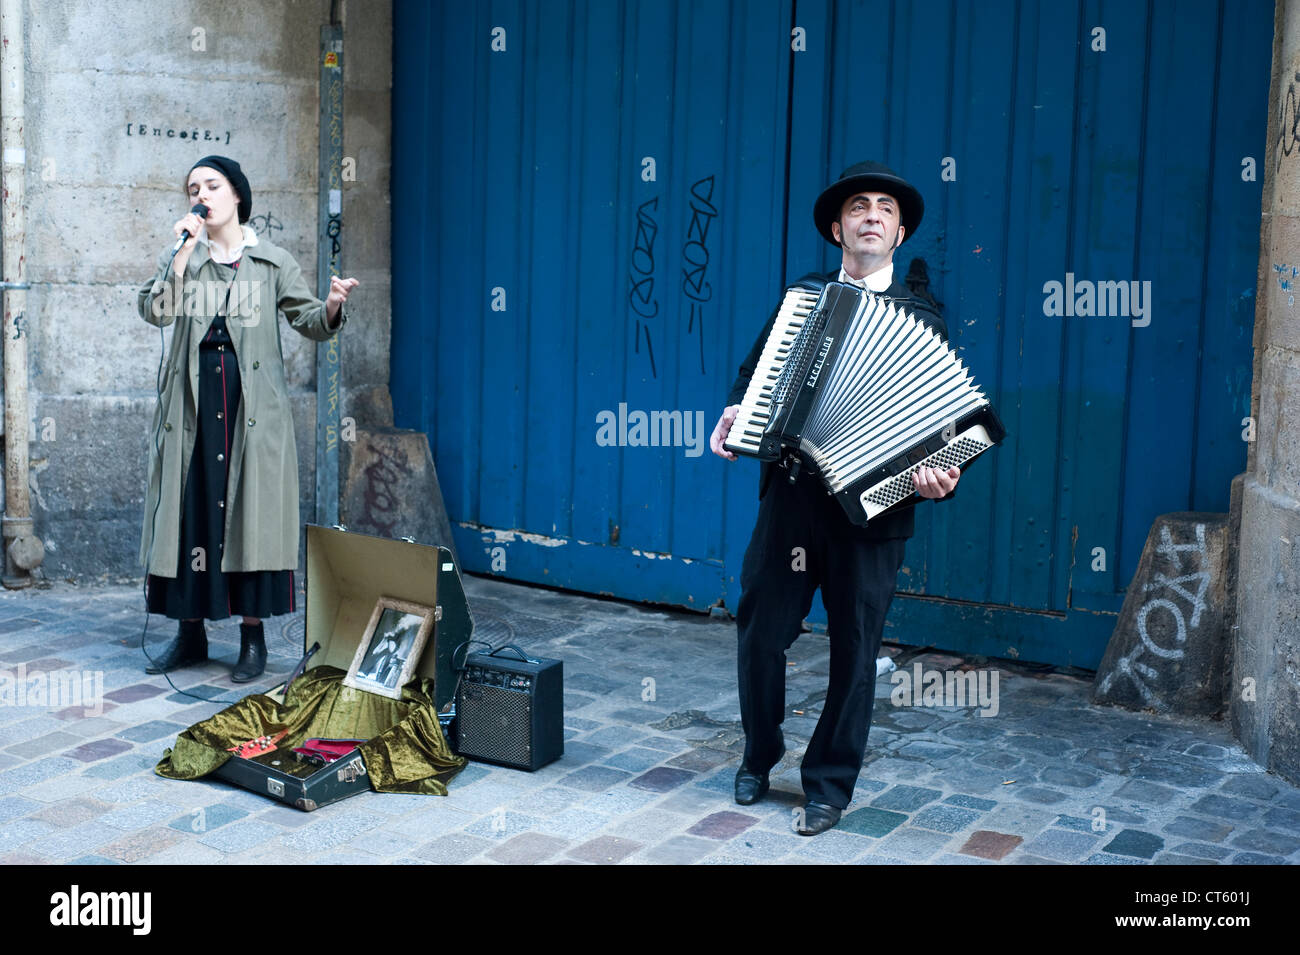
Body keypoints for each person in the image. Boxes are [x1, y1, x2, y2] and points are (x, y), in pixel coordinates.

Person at [710, 161, 961, 835]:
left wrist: (941, 476)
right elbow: (752, 377)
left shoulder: (922, 322)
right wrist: (735, 414)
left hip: (871, 515)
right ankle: (759, 752)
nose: (871, 215)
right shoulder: (802, 300)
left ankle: (828, 785)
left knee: (855, 650)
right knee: (761, 633)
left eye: (885, 208)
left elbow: (941, 426)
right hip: (792, 499)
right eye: (858, 206)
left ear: (899, 232)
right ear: (836, 228)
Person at [137, 156, 359, 683]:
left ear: (236, 193)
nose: (201, 195)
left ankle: (252, 639)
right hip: (191, 407)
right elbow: (155, 312)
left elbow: (309, 321)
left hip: (251, 408)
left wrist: (331, 304)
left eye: (212, 185)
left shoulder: (271, 261)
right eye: (193, 188)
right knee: (193, 511)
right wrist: (180, 257)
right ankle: (189, 633)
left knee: (251, 516)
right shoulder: (183, 257)